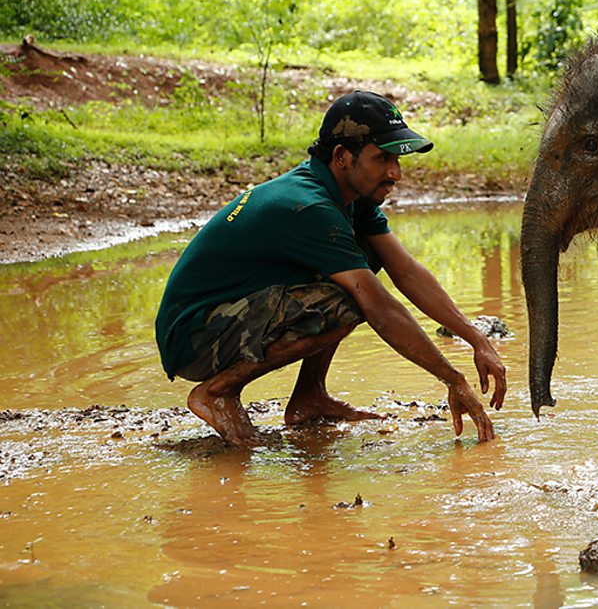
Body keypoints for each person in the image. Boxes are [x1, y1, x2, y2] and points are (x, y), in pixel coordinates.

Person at [154, 90, 506, 446]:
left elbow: (408, 272)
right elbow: (381, 309)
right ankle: (217, 392)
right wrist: (453, 379)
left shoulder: (352, 196)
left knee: (364, 261)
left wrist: (476, 338)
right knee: (353, 299)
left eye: (397, 160)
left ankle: (310, 396)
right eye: (382, 158)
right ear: (341, 156)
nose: (395, 173)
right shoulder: (310, 208)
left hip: (230, 315)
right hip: (195, 336)